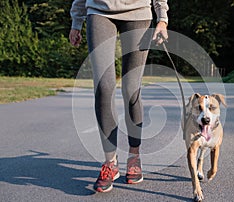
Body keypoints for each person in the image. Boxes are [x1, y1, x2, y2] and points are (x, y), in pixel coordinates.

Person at [69, 0, 168, 193]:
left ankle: (134, 156)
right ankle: (110, 162)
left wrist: (162, 18)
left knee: (131, 89)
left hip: (139, 13)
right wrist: (76, 21)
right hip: (99, 11)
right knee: (104, 87)